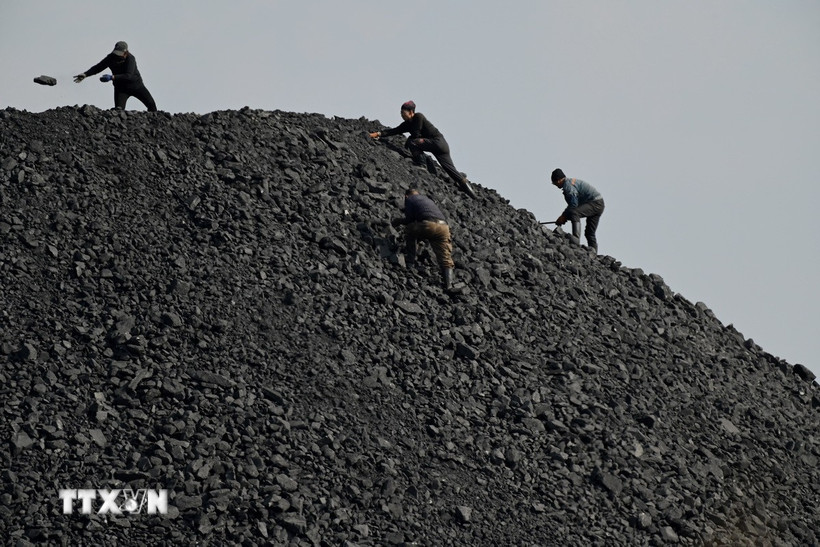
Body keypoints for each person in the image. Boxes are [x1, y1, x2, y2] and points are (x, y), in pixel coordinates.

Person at [370, 101, 477, 198]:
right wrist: (378, 134)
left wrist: (409, 140)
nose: (401, 115)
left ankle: (421, 164)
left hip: (437, 142)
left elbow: (416, 134)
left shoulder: (418, 117)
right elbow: (395, 130)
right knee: (450, 169)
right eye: (400, 113)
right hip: (441, 145)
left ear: (411, 112)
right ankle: (470, 191)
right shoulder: (407, 124)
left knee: (412, 141)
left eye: (403, 112)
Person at [391, 188, 455, 289]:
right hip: (444, 228)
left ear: (406, 196)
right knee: (445, 256)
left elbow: (409, 220)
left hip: (428, 225)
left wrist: (397, 222)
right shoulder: (427, 199)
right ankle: (449, 285)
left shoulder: (410, 199)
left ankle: (410, 262)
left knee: (410, 230)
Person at [74, 41, 157, 112]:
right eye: (116, 53)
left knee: (151, 105)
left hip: (136, 86)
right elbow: (98, 67)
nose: (118, 56)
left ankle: (155, 122)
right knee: (118, 111)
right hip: (121, 89)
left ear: (125, 53)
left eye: (120, 54)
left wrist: (112, 77)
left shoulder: (130, 59)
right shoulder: (111, 58)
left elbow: (128, 75)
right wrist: (85, 74)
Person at [551, 168, 605, 253]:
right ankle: (593, 254)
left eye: (554, 183)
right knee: (589, 233)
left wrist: (563, 216)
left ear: (559, 180)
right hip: (599, 203)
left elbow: (573, 205)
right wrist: (565, 216)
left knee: (574, 212)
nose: (556, 185)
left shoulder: (568, 186)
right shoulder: (569, 183)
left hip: (595, 203)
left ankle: (575, 239)